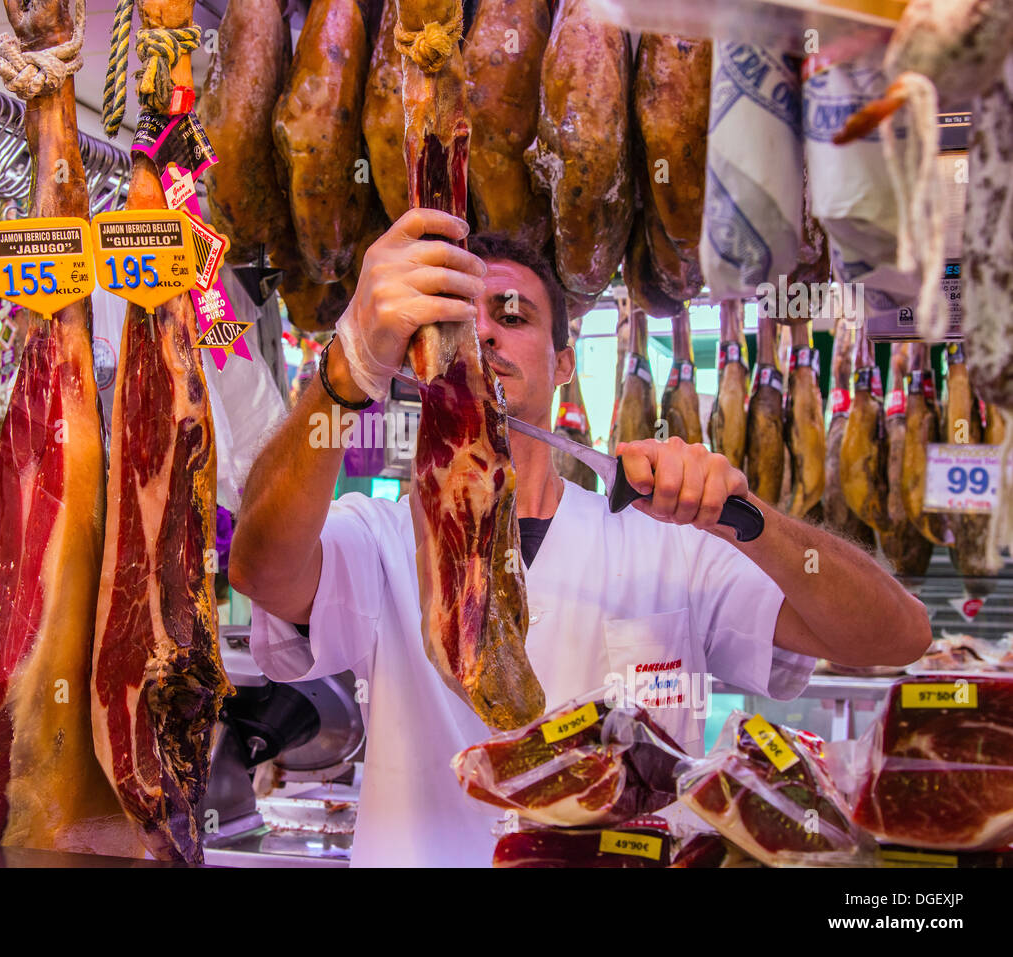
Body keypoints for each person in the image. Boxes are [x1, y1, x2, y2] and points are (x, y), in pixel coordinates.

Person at [228, 208, 931, 868]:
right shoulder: (378, 538)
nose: (486, 335)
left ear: (565, 363)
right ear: (420, 357)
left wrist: (754, 521)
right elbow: (262, 567)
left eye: (513, 315)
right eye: (458, 320)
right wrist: (346, 367)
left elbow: (892, 637)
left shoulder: (668, 543)